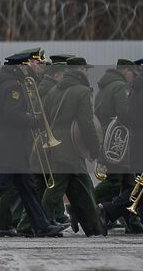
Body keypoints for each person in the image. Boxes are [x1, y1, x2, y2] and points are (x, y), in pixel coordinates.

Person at [0, 51, 64, 238]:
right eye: (31, 65)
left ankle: (41, 226)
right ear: (22, 66)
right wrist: (35, 120)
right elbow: (12, 114)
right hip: (13, 143)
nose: (33, 69)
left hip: (7, 142)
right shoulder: (13, 86)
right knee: (1, 185)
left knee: (27, 187)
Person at [42, 55, 103, 235]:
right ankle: (40, 224)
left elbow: (46, 116)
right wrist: (94, 149)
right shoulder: (82, 91)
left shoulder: (54, 90)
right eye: (85, 69)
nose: (86, 72)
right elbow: (87, 123)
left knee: (83, 187)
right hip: (74, 145)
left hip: (57, 143)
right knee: (56, 189)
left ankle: (94, 227)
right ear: (79, 70)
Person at [95, 58, 141, 232]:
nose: (133, 76)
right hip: (120, 141)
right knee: (116, 182)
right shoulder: (120, 87)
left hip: (110, 139)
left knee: (130, 182)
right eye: (131, 72)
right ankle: (85, 206)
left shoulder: (105, 87)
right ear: (125, 71)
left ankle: (132, 221)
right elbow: (124, 114)